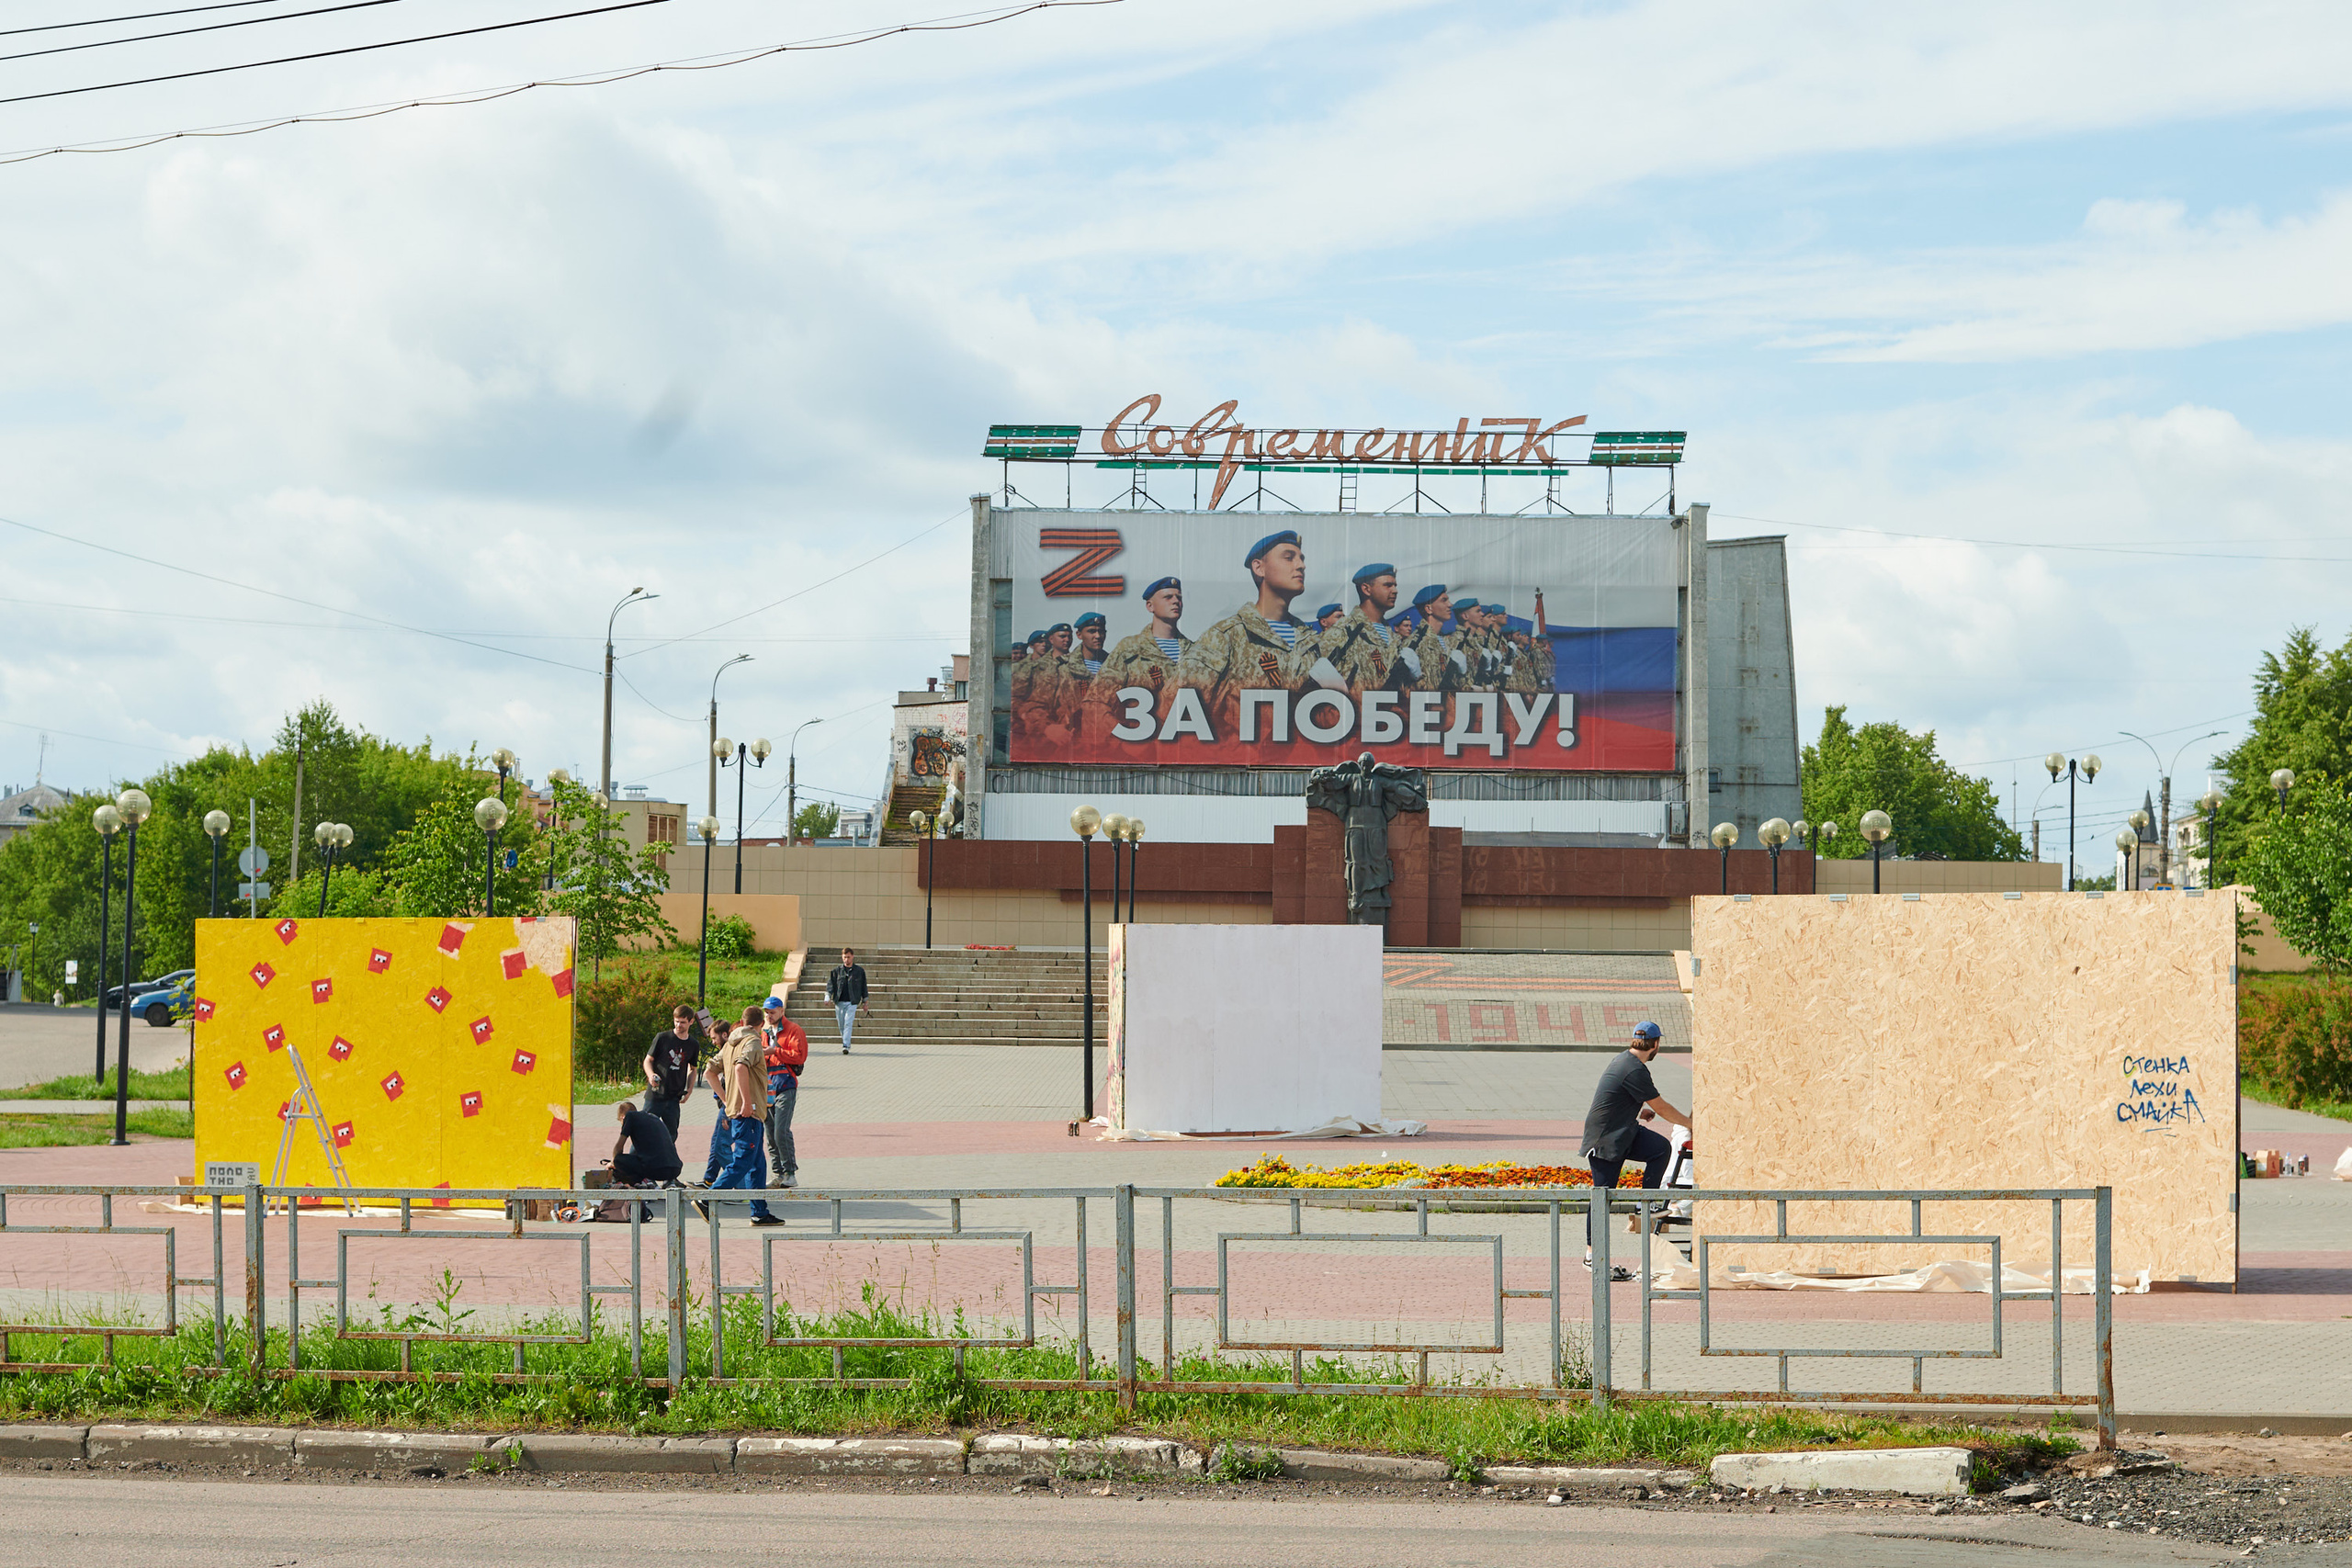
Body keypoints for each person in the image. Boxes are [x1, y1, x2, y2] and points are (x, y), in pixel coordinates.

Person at [1579, 1021, 1689, 1277]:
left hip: (1623, 1132)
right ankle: (1591, 1257)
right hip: (1605, 1140)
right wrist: (1689, 1123)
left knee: (1660, 1148)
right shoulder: (1634, 1069)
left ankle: (1645, 1203)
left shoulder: (1625, 1062)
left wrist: (1639, 1110)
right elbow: (1663, 1108)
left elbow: (1613, 1096)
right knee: (1602, 1197)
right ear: (1655, 1044)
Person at [1177, 530, 1322, 720]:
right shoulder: (1227, 637)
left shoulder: (1310, 641)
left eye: (1301, 559)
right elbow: (1174, 708)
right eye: (1289, 558)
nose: (1301, 565)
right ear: (1259, 568)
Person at [697, 1008, 780, 1225]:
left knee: (758, 1165)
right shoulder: (751, 1042)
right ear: (760, 1024)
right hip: (748, 1112)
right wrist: (745, 1102)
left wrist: (726, 1101)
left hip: (742, 1112)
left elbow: (709, 1072)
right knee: (743, 1161)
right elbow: (741, 1067)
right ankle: (708, 1199)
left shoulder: (731, 1044)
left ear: (743, 1021)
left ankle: (759, 1212)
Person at [1318, 563, 1409, 694]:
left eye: (1395, 585)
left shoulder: (1392, 635)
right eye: (1388, 585)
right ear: (1367, 589)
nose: (1395, 590)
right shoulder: (1343, 630)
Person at [758, 994, 807, 1188]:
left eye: (772, 1012)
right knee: (769, 1132)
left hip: (786, 1084)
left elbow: (799, 1056)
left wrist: (775, 1051)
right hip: (768, 1086)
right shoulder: (764, 1031)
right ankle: (778, 1173)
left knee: (781, 1130)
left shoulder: (793, 1030)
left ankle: (790, 1173)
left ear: (781, 1011)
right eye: (767, 1012)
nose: (769, 1016)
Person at [642, 1004, 703, 1137]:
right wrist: (651, 1075)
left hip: (674, 1097)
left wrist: (689, 1090)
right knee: (644, 1132)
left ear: (691, 1022)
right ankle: (636, 1157)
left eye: (682, 1022)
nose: (678, 1025)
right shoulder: (662, 1038)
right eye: (676, 1021)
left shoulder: (693, 1044)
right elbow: (648, 1060)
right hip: (656, 1095)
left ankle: (665, 1158)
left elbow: (693, 1069)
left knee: (671, 1135)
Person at [607, 1100, 683, 1187]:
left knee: (619, 1160)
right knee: (637, 1160)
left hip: (656, 1170)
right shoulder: (653, 1118)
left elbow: (619, 1147)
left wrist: (612, 1163)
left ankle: (642, 1184)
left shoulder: (630, 1116)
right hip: (675, 1169)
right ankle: (665, 1183)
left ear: (622, 1117)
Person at [826, 946, 869, 1054]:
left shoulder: (859, 971)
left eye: (849, 957)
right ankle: (845, 1040)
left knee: (848, 1023)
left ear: (853, 957)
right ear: (842, 957)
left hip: (852, 1002)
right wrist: (828, 996)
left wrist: (865, 1002)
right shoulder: (836, 971)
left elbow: (864, 987)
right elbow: (830, 985)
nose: (846, 959)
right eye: (845, 957)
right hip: (839, 1001)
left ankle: (846, 1045)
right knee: (841, 1024)